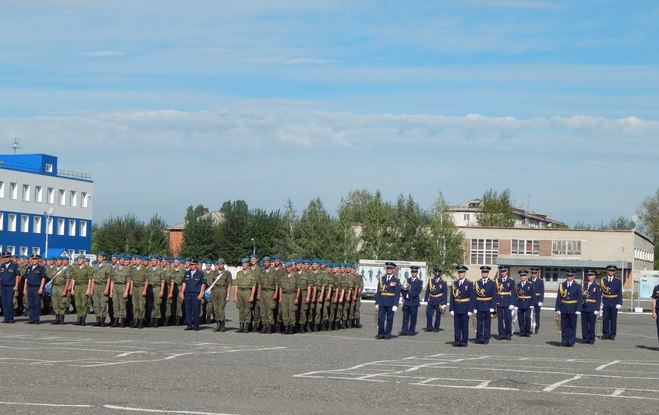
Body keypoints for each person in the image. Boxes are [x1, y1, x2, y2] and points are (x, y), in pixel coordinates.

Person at [554, 269, 583, 347]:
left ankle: (571, 342)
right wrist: (558, 308)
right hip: (564, 308)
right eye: (568, 276)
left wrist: (578, 309)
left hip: (573, 308)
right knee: (564, 326)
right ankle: (564, 341)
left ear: (574, 276)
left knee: (572, 326)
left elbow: (580, 298)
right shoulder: (562, 285)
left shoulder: (577, 286)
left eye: (571, 276)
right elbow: (559, 297)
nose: (569, 277)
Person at [450, 265, 475, 347]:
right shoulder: (455, 283)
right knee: (457, 326)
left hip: (465, 307)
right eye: (459, 272)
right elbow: (452, 297)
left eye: (462, 272)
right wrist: (451, 308)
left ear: (465, 273)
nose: (460, 274)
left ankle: (464, 341)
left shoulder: (469, 284)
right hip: (457, 306)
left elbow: (472, 297)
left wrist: (471, 310)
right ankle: (457, 340)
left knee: (464, 326)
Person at [375, 262, 401, 340]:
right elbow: (378, 291)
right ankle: (381, 333)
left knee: (389, 319)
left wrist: (395, 304)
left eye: (390, 268)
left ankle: (388, 334)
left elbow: (397, 293)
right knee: (380, 319)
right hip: (382, 301)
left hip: (390, 302)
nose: (389, 270)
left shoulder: (396, 280)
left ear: (393, 270)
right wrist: (377, 302)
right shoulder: (381, 279)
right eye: (387, 268)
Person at [179, 259, 207, 331]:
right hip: (188, 293)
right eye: (191, 264)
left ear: (197, 265)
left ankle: (196, 325)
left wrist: (201, 293)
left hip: (196, 294)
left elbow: (203, 284)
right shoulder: (187, 273)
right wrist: (182, 292)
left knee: (196, 310)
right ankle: (189, 325)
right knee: (187, 309)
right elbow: (184, 283)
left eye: (193, 264)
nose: (192, 266)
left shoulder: (200, 273)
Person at [233, 257, 257, 333]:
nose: (244, 265)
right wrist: (235, 295)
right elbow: (236, 285)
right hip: (240, 291)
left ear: (248, 264)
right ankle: (241, 326)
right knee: (241, 310)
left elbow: (254, 286)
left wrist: (252, 295)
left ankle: (247, 326)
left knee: (248, 310)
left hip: (247, 291)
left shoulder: (252, 273)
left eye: (245, 263)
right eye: (242, 263)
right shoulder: (239, 273)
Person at [23, 254, 47, 324]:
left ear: (39, 260)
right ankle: (31, 319)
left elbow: (43, 278)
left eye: (36, 259)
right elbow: (26, 279)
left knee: (36, 304)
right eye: (33, 259)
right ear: (31, 259)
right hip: (29, 288)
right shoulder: (29, 268)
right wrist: (25, 288)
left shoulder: (41, 268)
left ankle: (36, 319)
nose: (34, 260)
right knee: (30, 304)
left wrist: (41, 288)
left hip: (37, 287)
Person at [494, 265, 517, 340]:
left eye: (504, 271)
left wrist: (513, 303)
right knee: (500, 319)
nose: (503, 273)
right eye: (501, 271)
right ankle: (501, 334)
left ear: (507, 271)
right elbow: (495, 292)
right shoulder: (498, 280)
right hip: (499, 302)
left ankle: (508, 334)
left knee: (508, 318)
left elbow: (513, 292)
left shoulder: (511, 280)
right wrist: (495, 302)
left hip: (507, 301)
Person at [473, 265, 495, 344]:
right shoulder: (477, 283)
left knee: (487, 323)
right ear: (481, 273)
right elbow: (474, 296)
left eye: (486, 272)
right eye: (483, 272)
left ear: (488, 273)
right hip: (479, 305)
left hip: (488, 305)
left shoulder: (492, 283)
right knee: (479, 322)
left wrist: (492, 307)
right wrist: (474, 307)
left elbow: (494, 295)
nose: (484, 273)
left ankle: (486, 337)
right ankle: (479, 337)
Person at [69, 254, 92, 326]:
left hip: (84, 286)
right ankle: (79, 319)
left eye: (80, 259)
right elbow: (73, 279)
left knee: (84, 304)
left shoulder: (88, 268)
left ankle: (83, 319)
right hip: (77, 287)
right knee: (77, 304)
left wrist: (88, 289)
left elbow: (90, 279)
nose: (79, 260)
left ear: (84, 260)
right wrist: (72, 288)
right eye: (78, 259)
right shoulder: (75, 268)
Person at [600, 265, 623, 340]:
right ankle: (605, 333)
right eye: (610, 271)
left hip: (614, 301)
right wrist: (600, 303)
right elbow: (600, 292)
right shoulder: (603, 280)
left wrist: (619, 303)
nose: (611, 272)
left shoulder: (618, 280)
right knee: (605, 318)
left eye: (612, 271)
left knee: (613, 319)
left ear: (614, 272)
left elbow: (619, 292)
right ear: (607, 271)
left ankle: (612, 334)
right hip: (606, 300)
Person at [399, 265, 423, 336]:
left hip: (414, 302)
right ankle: (404, 331)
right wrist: (405, 295)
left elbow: (418, 291)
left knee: (413, 318)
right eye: (412, 272)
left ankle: (411, 331)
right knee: (405, 317)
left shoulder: (419, 282)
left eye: (415, 272)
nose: (414, 273)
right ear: (411, 272)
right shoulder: (407, 280)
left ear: (417, 273)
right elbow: (402, 288)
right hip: (407, 302)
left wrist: (409, 295)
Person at [210, 258, 232, 332]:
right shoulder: (214, 272)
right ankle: (218, 325)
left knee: (221, 309)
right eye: (219, 264)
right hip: (215, 290)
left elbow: (229, 285)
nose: (220, 265)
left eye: (222, 264)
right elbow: (212, 283)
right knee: (215, 308)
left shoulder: (227, 273)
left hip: (223, 290)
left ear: (223, 264)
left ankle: (222, 325)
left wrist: (228, 295)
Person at [581, 269, 601, 344]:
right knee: (584, 323)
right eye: (588, 275)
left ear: (594, 276)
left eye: (591, 275)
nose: (589, 277)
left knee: (592, 323)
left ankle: (591, 338)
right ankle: (585, 337)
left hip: (592, 307)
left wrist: (597, 309)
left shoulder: (597, 286)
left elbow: (598, 298)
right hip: (584, 306)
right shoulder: (584, 285)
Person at [424, 268, 447, 333]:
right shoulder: (431, 281)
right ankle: (429, 327)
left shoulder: (443, 282)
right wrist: (426, 299)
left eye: (438, 275)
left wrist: (444, 303)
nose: (436, 276)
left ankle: (436, 327)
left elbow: (445, 293)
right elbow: (428, 290)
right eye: (435, 274)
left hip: (439, 300)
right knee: (428, 313)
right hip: (431, 300)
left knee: (438, 315)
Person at [90, 252, 111, 327]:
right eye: (98, 257)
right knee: (96, 304)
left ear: (104, 258)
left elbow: (109, 278)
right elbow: (92, 278)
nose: (99, 258)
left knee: (103, 304)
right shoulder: (95, 266)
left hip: (103, 285)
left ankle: (103, 320)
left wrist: (107, 289)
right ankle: (98, 319)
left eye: (100, 257)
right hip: (96, 286)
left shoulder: (107, 266)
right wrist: (91, 288)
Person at [0, 252, 21, 323]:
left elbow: (17, 276)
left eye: (7, 257)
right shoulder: (2, 266)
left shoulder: (14, 265)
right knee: (4, 302)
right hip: (3, 286)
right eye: (4, 257)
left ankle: (11, 318)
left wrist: (16, 285)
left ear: (10, 257)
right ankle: (6, 318)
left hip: (10, 286)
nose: (6, 259)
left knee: (9, 302)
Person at [278, 261, 298, 334]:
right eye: (286, 268)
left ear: (291, 268)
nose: (287, 269)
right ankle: (286, 327)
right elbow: (280, 288)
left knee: (291, 311)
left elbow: (298, 288)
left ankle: (291, 327)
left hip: (292, 294)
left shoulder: (295, 277)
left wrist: (297, 297)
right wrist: (280, 297)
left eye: (289, 267)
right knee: (284, 312)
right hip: (284, 295)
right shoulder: (283, 277)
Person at [515, 270, 535, 337]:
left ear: (526, 277)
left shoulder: (530, 284)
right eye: (521, 276)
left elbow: (533, 295)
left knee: (527, 318)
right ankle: (522, 331)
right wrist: (516, 304)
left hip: (528, 303)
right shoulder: (518, 285)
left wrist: (532, 304)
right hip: (520, 304)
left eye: (524, 276)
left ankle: (527, 331)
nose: (522, 277)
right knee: (520, 318)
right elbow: (516, 295)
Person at [530, 267, 544, 334]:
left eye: (535, 273)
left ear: (537, 273)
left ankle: (536, 328)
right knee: (529, 315)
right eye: (532, 273)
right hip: (530, 300)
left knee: (537, 315)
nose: (534, 274)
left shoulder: (540, 281)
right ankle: (529, 327)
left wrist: (541, 300)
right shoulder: (529, 280)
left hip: (537, 299)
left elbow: (542, 291)